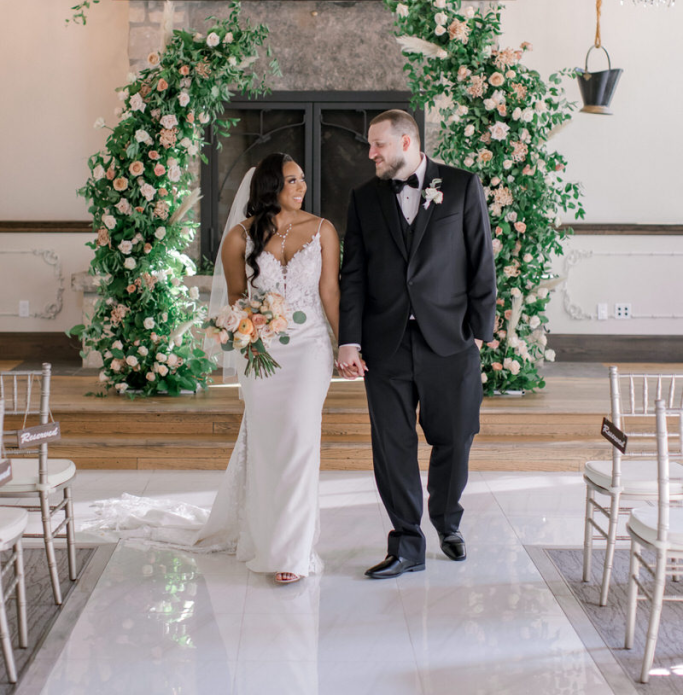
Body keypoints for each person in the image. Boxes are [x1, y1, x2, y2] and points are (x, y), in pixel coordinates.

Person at [87, 153, 339, 586]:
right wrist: (249, 328)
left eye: (301, 179)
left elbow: (329, 291)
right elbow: (237, 298)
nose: (301, 187)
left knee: (300, 439)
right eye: (291, 180)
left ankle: (292, 551)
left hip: (310, 348)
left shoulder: (323, 230)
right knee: (267, 445)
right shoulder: (239, 237)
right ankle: (265, 536)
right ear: (271, 186)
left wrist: (346, 344)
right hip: (261, 351)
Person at [337, 110, 496, 579]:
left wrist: (480, 332)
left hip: (450, 339)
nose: (371, 154)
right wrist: (349, 340)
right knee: (392, 447)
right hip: (385, 343)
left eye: (378, 145)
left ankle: (447, 522)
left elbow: (480, 259)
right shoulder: (364, 197)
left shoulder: (462, 186)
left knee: (456, 437)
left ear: (407, 142)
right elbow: (354, 274)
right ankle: (407, 543)